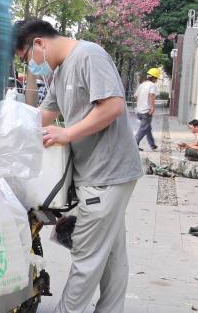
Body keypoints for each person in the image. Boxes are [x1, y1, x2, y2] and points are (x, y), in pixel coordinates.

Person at [14, 19, 142, 313]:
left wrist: (68, 133)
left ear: (39, 44)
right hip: (98, 172)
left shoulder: (89, 55)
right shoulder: (60, 72)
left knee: (87, 257)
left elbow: (112, 106)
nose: (29, 67)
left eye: (25, 59)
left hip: (106, 174)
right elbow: (45, 114)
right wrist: (5, 126)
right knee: (110, 254)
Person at [134, 68, 160, 151]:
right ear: (154, 78)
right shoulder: (152, 85)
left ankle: (152, 145)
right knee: (144, 128)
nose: (156, 80)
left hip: (139, 111)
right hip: (146, 111)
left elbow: (136, 96)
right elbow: (151, 95)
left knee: (147, 128)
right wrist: (152, 107)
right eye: (156, 78)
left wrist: (139, 106)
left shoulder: (142, 85)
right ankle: (134, 144)